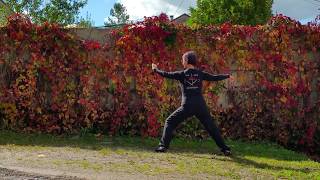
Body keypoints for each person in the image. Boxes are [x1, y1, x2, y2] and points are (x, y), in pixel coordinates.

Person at [152, 51, 232, 156]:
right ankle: (225, 149)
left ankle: (163, 146)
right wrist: (227, 76)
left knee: (170, 121)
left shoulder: (182, 74)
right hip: (200, 105)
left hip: (187, 106)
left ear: (186, 61)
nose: (182, 61)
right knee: (211, 127)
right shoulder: (200, 73)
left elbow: (166, 74)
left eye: (183, 59)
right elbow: (214, 77)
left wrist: (155, 69)